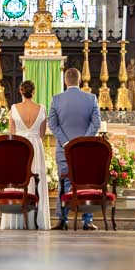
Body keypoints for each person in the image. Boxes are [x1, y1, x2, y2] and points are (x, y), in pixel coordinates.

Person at [48, 68, 101, 230]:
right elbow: (96, 123)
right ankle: (87, 220)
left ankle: (62, 219)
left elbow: (53, 124)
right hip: (85, 150)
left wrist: (66, 143)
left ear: (65, 81)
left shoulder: (56, 99)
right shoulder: (91, 98)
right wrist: (83, 141)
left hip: (64, 150)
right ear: (79, 80)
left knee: (64, 182)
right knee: (86, 183)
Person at [0, 81, 50, 230]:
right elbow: (41, 134)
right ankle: (36, 220)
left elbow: (11, 134)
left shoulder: (14, 108)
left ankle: (16, 221)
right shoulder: (41, 108)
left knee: (19, 179)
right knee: (36, 181)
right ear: (33, 92)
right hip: (35, 147)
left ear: (21, 92)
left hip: (19, 147)